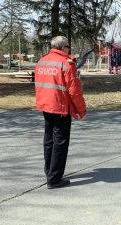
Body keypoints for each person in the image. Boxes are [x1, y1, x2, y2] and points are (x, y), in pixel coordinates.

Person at [35, 36, 86, 189]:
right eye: (68, 46)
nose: (69, 49)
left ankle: (49, 172)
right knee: (60, 142)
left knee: (49, 140)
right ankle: (55, 179)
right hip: (60, 107)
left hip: (46, 105)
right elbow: (74, 91)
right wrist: (81, 110)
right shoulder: (66, 63)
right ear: (63, 47)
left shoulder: (42, 61)